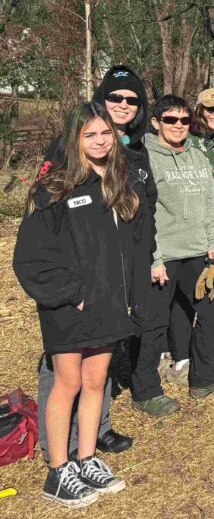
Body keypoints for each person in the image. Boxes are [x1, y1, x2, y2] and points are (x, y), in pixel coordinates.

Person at [14, 103, 152, 506]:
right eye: (90, 134)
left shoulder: (118, 184)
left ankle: (87, 458)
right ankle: (58, 471)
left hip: (108, 303)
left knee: (96, 382)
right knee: (68, 383)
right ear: (74, 139)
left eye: (106, 133)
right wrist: (72, 294)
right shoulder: (54, 189)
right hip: (70, 306)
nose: (100, 141)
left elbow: (130, 248)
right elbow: (30, 259)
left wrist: (128, 293)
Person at [35, 65, 152, 462]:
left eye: (131, 99)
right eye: (115, 97)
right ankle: (59, 449)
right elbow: (47, 228)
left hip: (110, 284)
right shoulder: (65, 154)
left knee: (96, 373)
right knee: (64, 373)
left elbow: (141, 216)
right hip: (74, 290)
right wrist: (69, 289)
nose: (123, 104)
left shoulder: (132, 154)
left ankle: (95, 434)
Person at [132, 95, 214, 415]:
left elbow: (210, 200)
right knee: (153, 323)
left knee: (213, 307)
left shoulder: (196, 154)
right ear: (156, 122)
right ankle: (145, 391)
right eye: (170, 120)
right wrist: (153, 257)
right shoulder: (144, 157)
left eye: (184, 120)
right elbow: (141, 213)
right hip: (163, 255)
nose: (178, 126)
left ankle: (205, 376)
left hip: (198, 251)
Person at [162, 87, 214, 385]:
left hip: (207, 229)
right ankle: (178, 358)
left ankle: (187, 359)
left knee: (194, 297)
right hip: (181, 233)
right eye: (211, 109)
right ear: (199, 110)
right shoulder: (185, 140)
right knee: (186, 300)